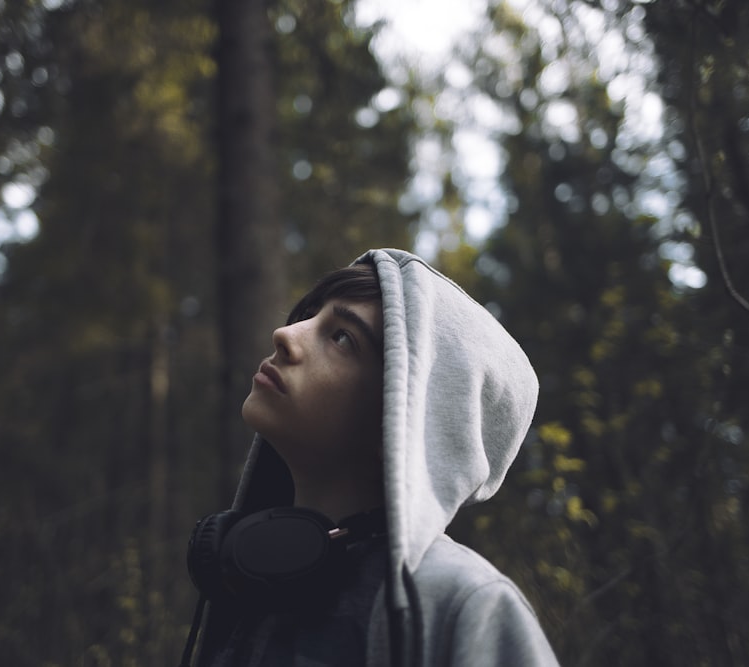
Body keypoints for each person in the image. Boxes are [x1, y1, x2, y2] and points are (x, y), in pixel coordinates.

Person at [181, 248, 558, 666]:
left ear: (405, 412)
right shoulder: (253, 574)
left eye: (342, 337)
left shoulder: (464, 602)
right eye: (310, 315)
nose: (286, 335)